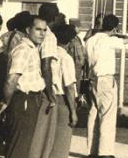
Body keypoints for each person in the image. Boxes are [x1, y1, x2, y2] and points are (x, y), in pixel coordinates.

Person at [0, 16, 46, 158]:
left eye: (44, 30)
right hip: (23, 100)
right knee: (19, 147)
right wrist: (6, 102)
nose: (42, 33)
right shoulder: (23, 49)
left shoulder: (33, 48)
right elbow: (12, 80)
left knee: (23, 147)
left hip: (31, 100)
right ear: (28, 30)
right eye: (38, 29)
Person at [86, 14, 128, 157]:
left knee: (93, 115)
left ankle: (92, 150)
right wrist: (118, 33)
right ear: (114, 27)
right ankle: (105, 152)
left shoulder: (90, 39)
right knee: (107, 116)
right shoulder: (110, 40)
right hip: (106, 79)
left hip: (92, 78)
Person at [30, 3, 60, 158]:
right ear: (54, 18)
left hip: (35, 85)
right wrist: (50, 93)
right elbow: (46, 65)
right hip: (44, 87)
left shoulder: (35, 32)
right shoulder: (49, 35)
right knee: (43, 134)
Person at [50, 24, 78, 158]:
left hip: (48, 98)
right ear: (71, 41)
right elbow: (69, 87)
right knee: (61, 143)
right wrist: (73, 111)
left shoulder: (48, 54)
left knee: (49, 140)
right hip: (62, 101)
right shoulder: (66, 58)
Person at [68, 18, 86, 96]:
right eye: (78, 27)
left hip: (77, 66)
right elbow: (79, 55)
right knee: (75, 87)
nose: (80, 28)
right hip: (76, 66)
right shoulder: (73, 39)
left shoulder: (77, 37)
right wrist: (83, 64)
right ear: (74, 27)